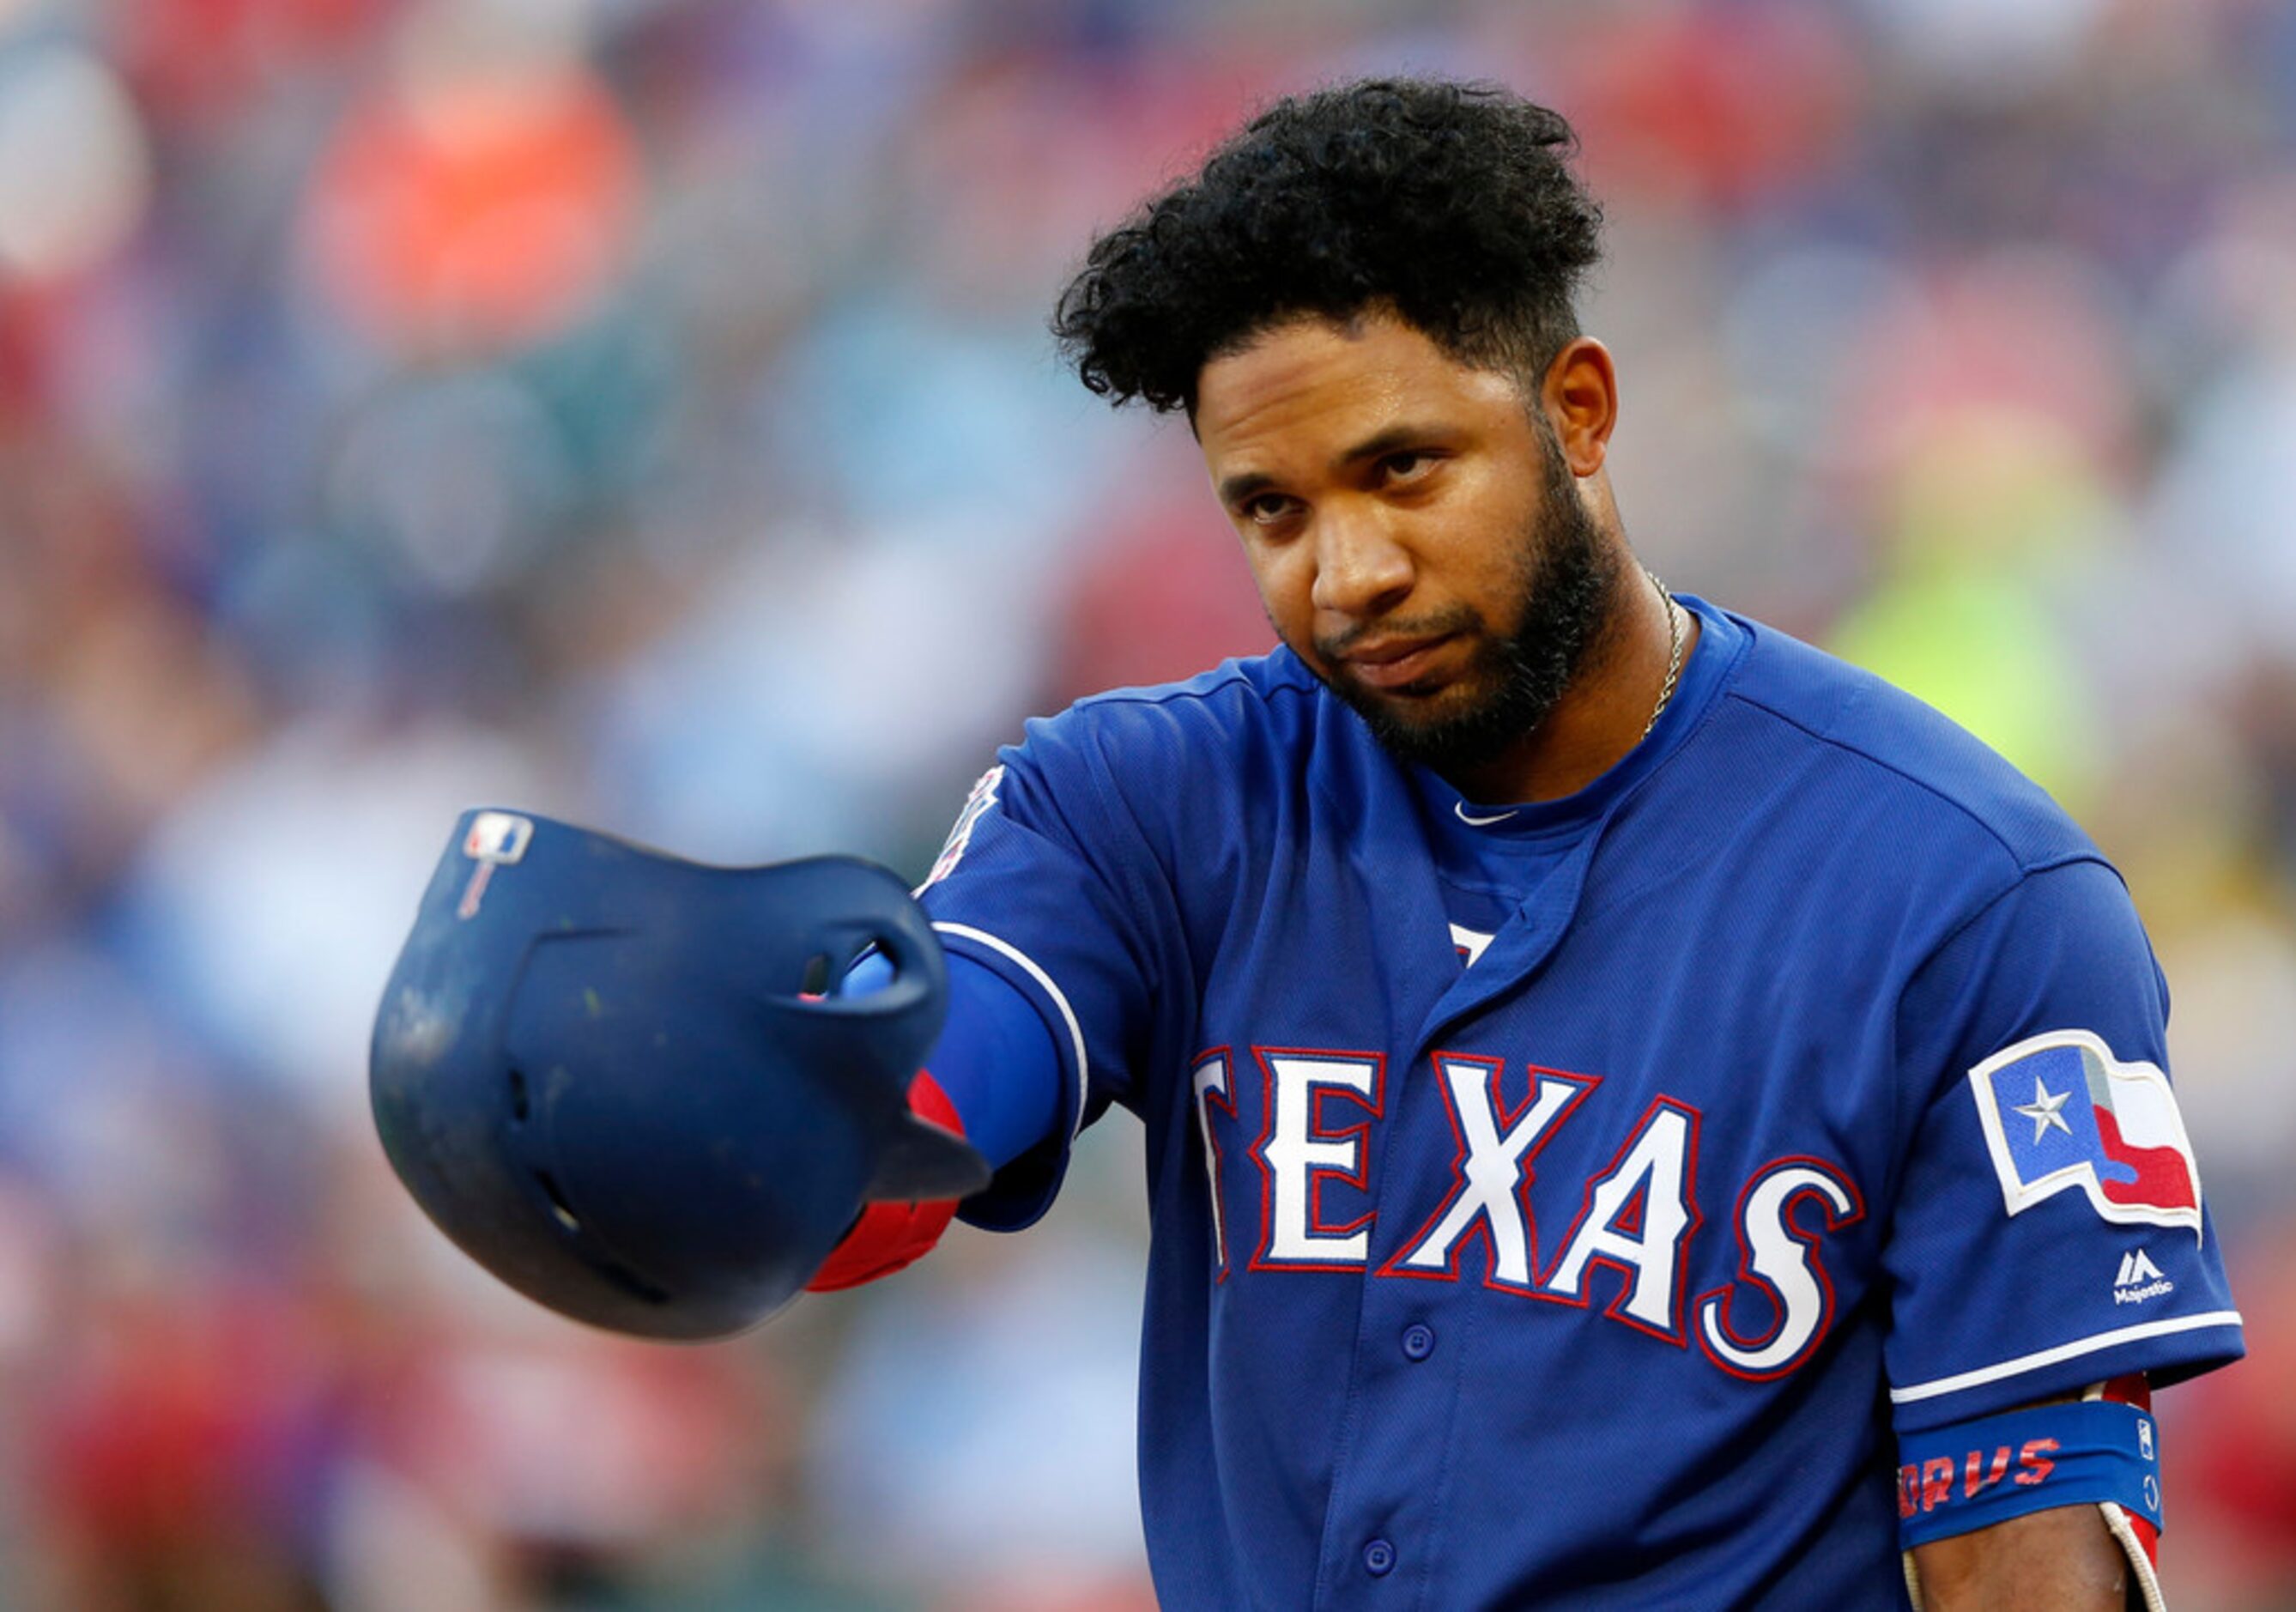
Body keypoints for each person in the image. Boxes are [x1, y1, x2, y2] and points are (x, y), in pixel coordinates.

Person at [371, 76, 2243, 1609]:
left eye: (1403, 471)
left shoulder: (1967, 898)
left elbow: (2033, 1552)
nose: (1345, 572)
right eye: (1270, 508)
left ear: (1577, 415)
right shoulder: (1146, 802)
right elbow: (927, 1110)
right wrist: (755, 1111)